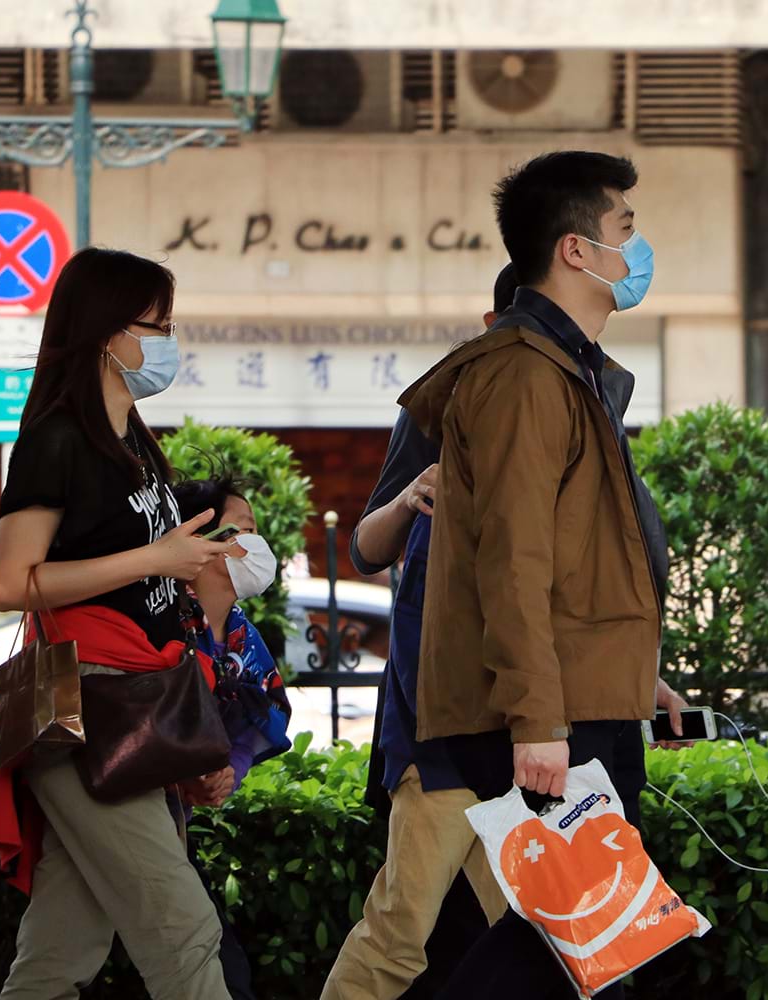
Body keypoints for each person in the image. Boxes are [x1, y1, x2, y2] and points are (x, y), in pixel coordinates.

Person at [399, 151, 688, 998]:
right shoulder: (527, 375)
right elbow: (514, 561)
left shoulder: (566, 370)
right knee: (570, 940)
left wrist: (642, 676)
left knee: (591, 942)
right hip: (542, 714)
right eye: (625, 229)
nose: (636, 251)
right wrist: (537, 721)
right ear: (575, 250)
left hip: (570, 699)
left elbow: (569, 567)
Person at [0, 247, 236, 1000]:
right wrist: (154, 558)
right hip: (86, 698)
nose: (165, 342)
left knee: (64, 947)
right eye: (154, 325)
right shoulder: (58, 439)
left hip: (128, 700)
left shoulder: (134, 443)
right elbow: (7, 582)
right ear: (104, 333)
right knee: (181, 928)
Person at [320, 264, 519, 1000]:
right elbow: (367, 548)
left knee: (536, 936)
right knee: (401, 933)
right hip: (444, 731)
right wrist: (410, 496)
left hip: (526, 730)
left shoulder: (580, 402)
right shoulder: (445, 405)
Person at [172, 474, 295, 1000]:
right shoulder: (164, 626)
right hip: (139, 807)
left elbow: (254, 718)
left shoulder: (242, 635)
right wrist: (181, 777)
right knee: (210, 954)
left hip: (175, 820)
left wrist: (229, 771)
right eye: (243, 529)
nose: (255, 544)